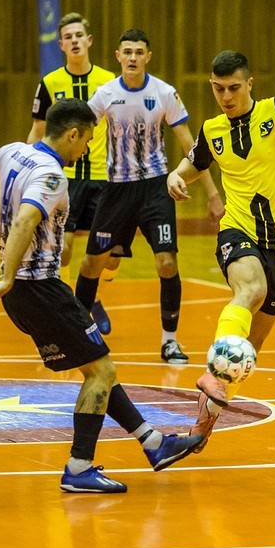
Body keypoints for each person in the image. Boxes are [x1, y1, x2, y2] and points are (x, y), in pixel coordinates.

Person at [0, 98, 204, 493]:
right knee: (101, 371)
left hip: (26, 295)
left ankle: (154, 443)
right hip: (40, 289)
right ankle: (79, 468)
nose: (85, 150)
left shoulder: (14, 152)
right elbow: (26, 220)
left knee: (96, 366)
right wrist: (7, 278)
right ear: (71, 134)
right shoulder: (51, 176)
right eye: (86, 141)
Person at [167, 42, 275, 452]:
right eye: (218, 89)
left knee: (250, 348)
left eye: (233, 88)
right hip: (238, 229)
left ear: (250, 84)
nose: (226, 97)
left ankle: (202, 424)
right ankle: (212, 372)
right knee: (251, 289)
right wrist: (176, 175)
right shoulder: (213, 130)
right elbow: (195, 162)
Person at [75, 28, 223, 365]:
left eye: (138, 52)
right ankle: (78, 334)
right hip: (116, 188)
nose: (132, 58)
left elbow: (191, 145)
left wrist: (212, 193)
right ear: (118, 56)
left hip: (156, 188)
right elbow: (80, 129)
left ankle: (169, 341)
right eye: (127, 52)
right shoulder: (105, 94)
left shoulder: (164, 93)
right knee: (91, 263)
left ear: (148, 57)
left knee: (167, 262)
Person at [28, 12, 119, 336]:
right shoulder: (50, 82)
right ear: (61, 45)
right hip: (65, 178)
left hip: (104, 176)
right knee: (63, 248)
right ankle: (71, 308)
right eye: (68, 37)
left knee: (112, 254)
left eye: (79, 35)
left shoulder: (109, 80)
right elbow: (38, 129)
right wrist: (29, 167)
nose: (75, 41)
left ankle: (96, 298)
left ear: (89, 40)